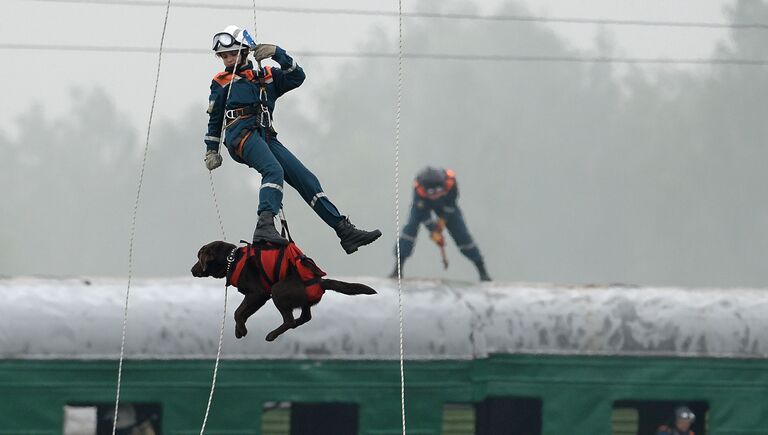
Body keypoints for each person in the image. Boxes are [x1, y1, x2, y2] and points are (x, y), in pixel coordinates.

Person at [203, 25, 381, 254]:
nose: (228, 60)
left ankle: (344, 231)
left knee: (306, 178)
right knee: (273, 171)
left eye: (232, 54)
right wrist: (211, 150)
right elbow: (215, 118)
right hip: (240, 135)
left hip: (265, 134)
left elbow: (297, 76)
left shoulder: (266, 77)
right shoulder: (221, 81)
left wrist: (278, 53)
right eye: (224, 56)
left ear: (245, 52)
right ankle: (264, 225)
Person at [390, 166, 491, 281]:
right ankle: (397, 269)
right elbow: (421, 214)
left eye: (438, 191)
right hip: (423, 205)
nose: (436, 195)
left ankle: (483, 272)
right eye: (432, 192)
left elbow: (451, 205)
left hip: (446, 205)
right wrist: (434, 231)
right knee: (409, 231)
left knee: (462, 234)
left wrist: (442, 221)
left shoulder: (450, 183)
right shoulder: (419, 190)